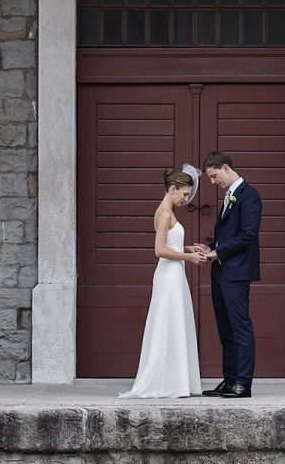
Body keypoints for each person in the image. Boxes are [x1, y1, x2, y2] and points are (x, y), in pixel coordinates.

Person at [118, 165, 208, 398]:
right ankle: (166, 381)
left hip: (174, 273)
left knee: (174, 322)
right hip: (169, 274)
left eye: (188, 194)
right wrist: (189, 257)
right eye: (184, 194)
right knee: (168, 322)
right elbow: (159, 250)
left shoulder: (167, 211)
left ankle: (175, 380)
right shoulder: (165, 213)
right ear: (172, 189)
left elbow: (170, 243)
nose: (186, 199)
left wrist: (188, 247)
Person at [196, 150, 262, 399]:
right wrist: (211, 248)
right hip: (222, 271)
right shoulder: (229, 197)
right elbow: (229, 235)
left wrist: (217, 252)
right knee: (225, 329)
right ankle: (230, 378)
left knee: (240, 327)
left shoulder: (250, 196)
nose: (212, 182)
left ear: (225, 168)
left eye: (213, 176)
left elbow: (248, 235)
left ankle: (243, 383)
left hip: (237, 273)